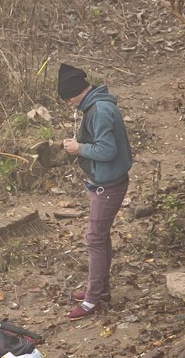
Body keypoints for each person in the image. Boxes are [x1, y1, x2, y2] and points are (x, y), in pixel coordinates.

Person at [57, 63, 133, 320]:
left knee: (95, 239)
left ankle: (92, 301)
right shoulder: (97, 104)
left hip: (109, 186)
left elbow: (107, 151)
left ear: (78, 91)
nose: (68, 103)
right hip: (106, 182)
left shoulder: (99, 111)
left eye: (68, 98)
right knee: (99, 237)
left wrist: (79, 148)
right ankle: (101, 289)